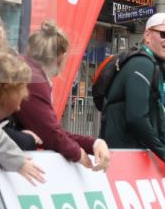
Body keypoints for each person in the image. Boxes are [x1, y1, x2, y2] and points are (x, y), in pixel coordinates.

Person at [14, 21, 111, 171]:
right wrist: (78, 152)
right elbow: (50, 133)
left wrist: (93, 143)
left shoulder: (30, 72)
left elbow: (51, 130)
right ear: (61, 56)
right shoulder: (35, 79)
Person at [100, 13, 165, 173]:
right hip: (122, 156)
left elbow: (160, 118)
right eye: (164, 34)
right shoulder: (142, 63)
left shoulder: (153, 65)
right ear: (147, 36)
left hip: (133, 154)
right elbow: (137, 118)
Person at [0, 50, 41, 151]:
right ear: (7, 90)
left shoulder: (5, 119)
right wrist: (28, 139)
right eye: (22, 87)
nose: (26, 94)